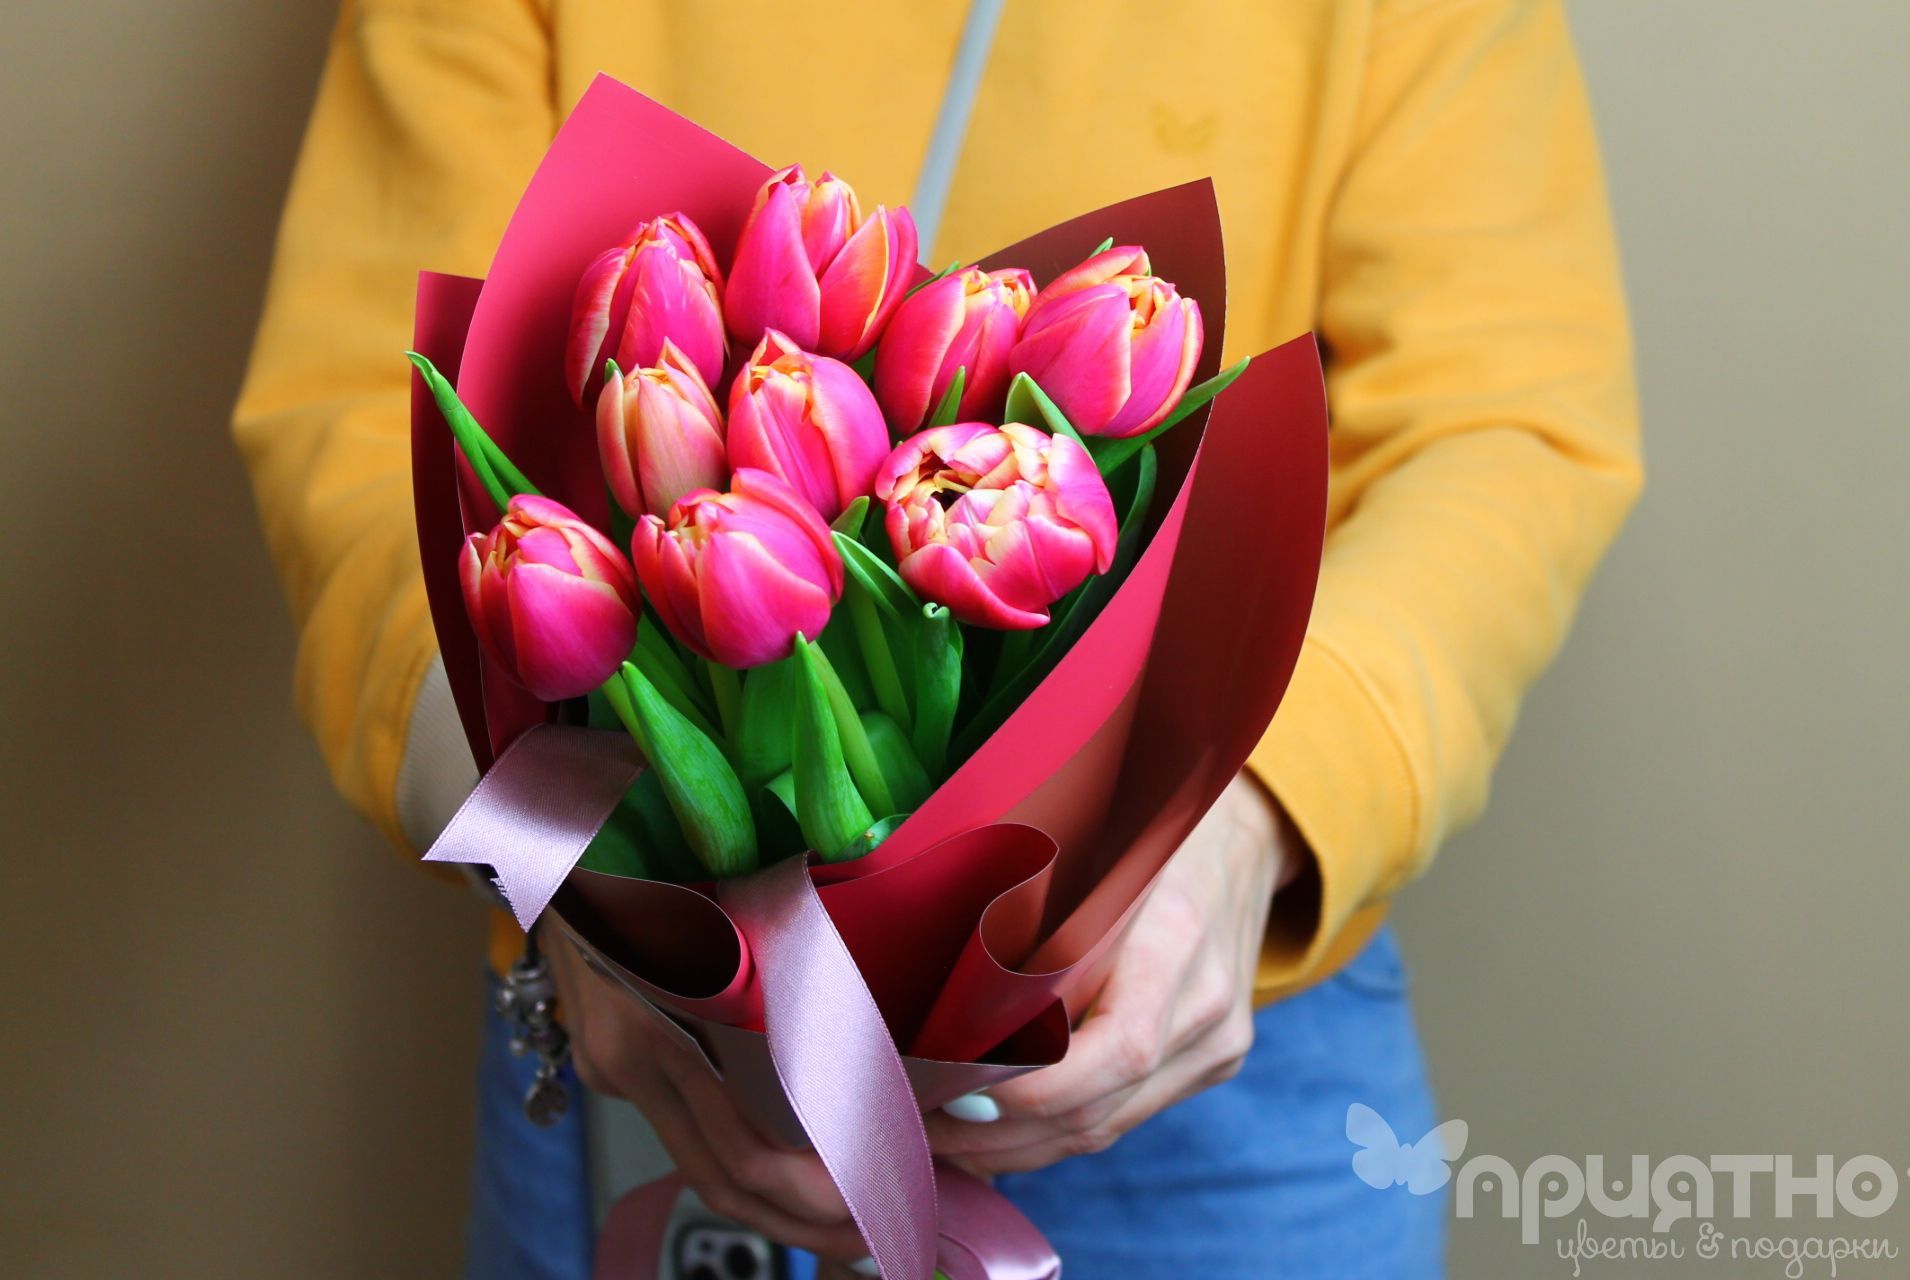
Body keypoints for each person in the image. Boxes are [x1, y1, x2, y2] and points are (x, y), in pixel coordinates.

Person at [233, 1, 1641, 1276]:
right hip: (647, 1030)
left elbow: (1503, 428)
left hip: (1192, 1013)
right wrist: (564, 879)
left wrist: (1259, 817)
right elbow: (357, 415)